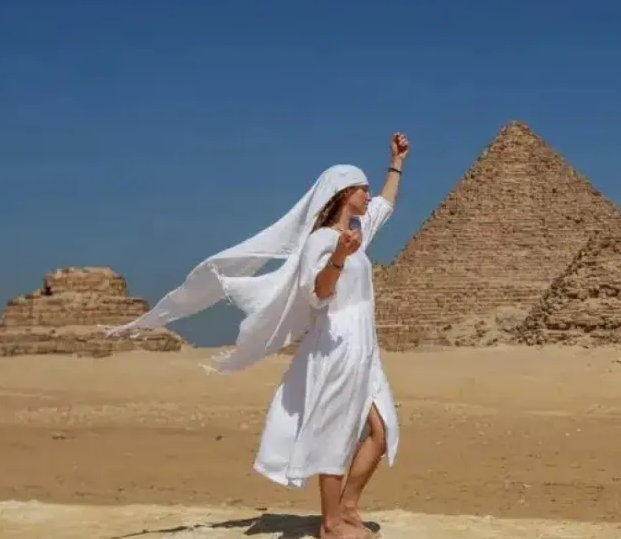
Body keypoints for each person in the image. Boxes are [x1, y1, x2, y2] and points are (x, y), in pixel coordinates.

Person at [106, 132, 411, 539]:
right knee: (335, 430)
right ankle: (330, 522)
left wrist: (397, 162)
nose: (369, 196)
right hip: (336, 344)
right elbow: (318, 293)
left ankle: (348, 505)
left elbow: (385, 207)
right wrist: (340, 256)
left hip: (364, 346)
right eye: (363, 189)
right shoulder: (322, 241)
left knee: (383, 429)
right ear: (343, 194)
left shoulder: (357, 231)